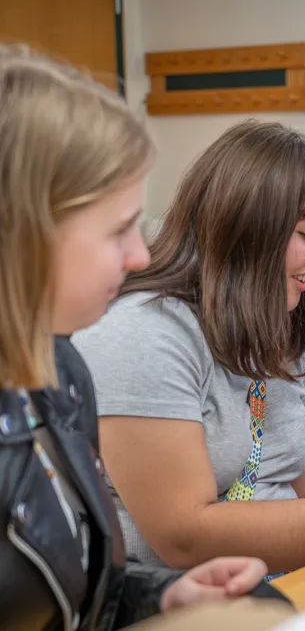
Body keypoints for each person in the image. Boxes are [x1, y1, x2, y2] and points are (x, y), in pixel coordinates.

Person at [0, 45, 268, 630]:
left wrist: (163, 596)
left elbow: (78, 593)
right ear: (22, 234)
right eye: (118, 229)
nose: (141, 256)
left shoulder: (59, 369)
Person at [73, 121, 305, 575]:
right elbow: (186, 538)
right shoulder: (144, 333)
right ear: (246, 231)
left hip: (286, 584)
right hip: (179, 599)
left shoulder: (289, 325)